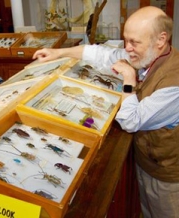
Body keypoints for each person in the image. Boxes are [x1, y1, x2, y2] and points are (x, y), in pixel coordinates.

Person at [33, 6, 179, 218]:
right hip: (145, 161)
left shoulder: (174, 84)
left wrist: (129, 79)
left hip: (166, 175)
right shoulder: (147, 55)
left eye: (134, 42)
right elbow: (100, 53)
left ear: (161, 39)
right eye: (126, 40)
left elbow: (131, 120)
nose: (127, 48)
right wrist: (58, 52)